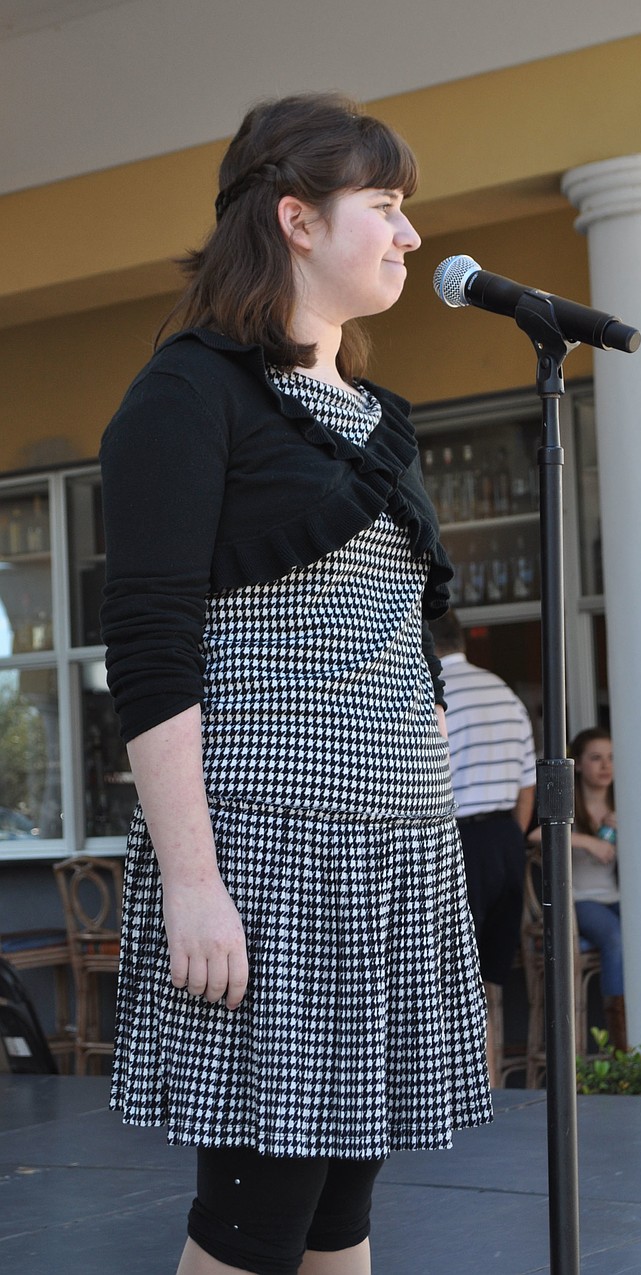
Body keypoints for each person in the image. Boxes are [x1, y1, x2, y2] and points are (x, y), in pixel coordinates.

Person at [99, 93, 492, 1275]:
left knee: (338, 1216)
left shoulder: (380, 417)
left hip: (394, 852)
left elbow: (407, 629)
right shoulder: (187, 396)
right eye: (384, 207)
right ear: (295, 221)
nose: (409, 236)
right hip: (273, 851)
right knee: (255, 1221)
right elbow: (151, 647)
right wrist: (192, 884)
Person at [429, 610, 536, 1086]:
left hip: (456, 840)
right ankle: (489, 1082)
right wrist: (509, 838)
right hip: (505, 840)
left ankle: (456, 1086)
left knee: (447, 972)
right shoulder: (504, 692)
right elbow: (527, 783)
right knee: (490, 974)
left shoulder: (429, 690)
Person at [568, 727, 627, 1053]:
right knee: (615, 936)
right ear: (577, 764)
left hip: (617, 897)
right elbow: (534, 835)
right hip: (582, 900)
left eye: (612, 758)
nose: (605, 766)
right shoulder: (569, 806)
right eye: (595, 758)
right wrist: (587, 840)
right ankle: (621, 1042)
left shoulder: (622, 806)